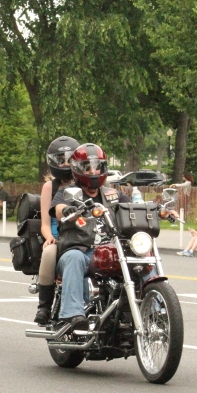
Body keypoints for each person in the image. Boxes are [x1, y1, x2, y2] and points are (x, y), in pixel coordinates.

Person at [53, 143, 130, 332]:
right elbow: (57, 209)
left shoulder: (112, 194)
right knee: (74, 258)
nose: (94, 171)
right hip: (82, 251)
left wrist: (157, 210)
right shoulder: (68, 193)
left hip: (111, 253)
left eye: (98, 166)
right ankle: (73, 314)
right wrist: (68, 209)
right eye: (88, 167)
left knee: (141, 260)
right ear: (78, 169)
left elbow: (132, 207)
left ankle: (153, 307)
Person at [34, 135, 78, 325]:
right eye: (61, 159)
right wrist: (50, 238)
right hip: (58, 235)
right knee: (49, 253)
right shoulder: (49, 187)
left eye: (70, 159)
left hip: (84, 235)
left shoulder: (86, 183)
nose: (66, 163)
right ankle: (44, 306)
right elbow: (45, 222)